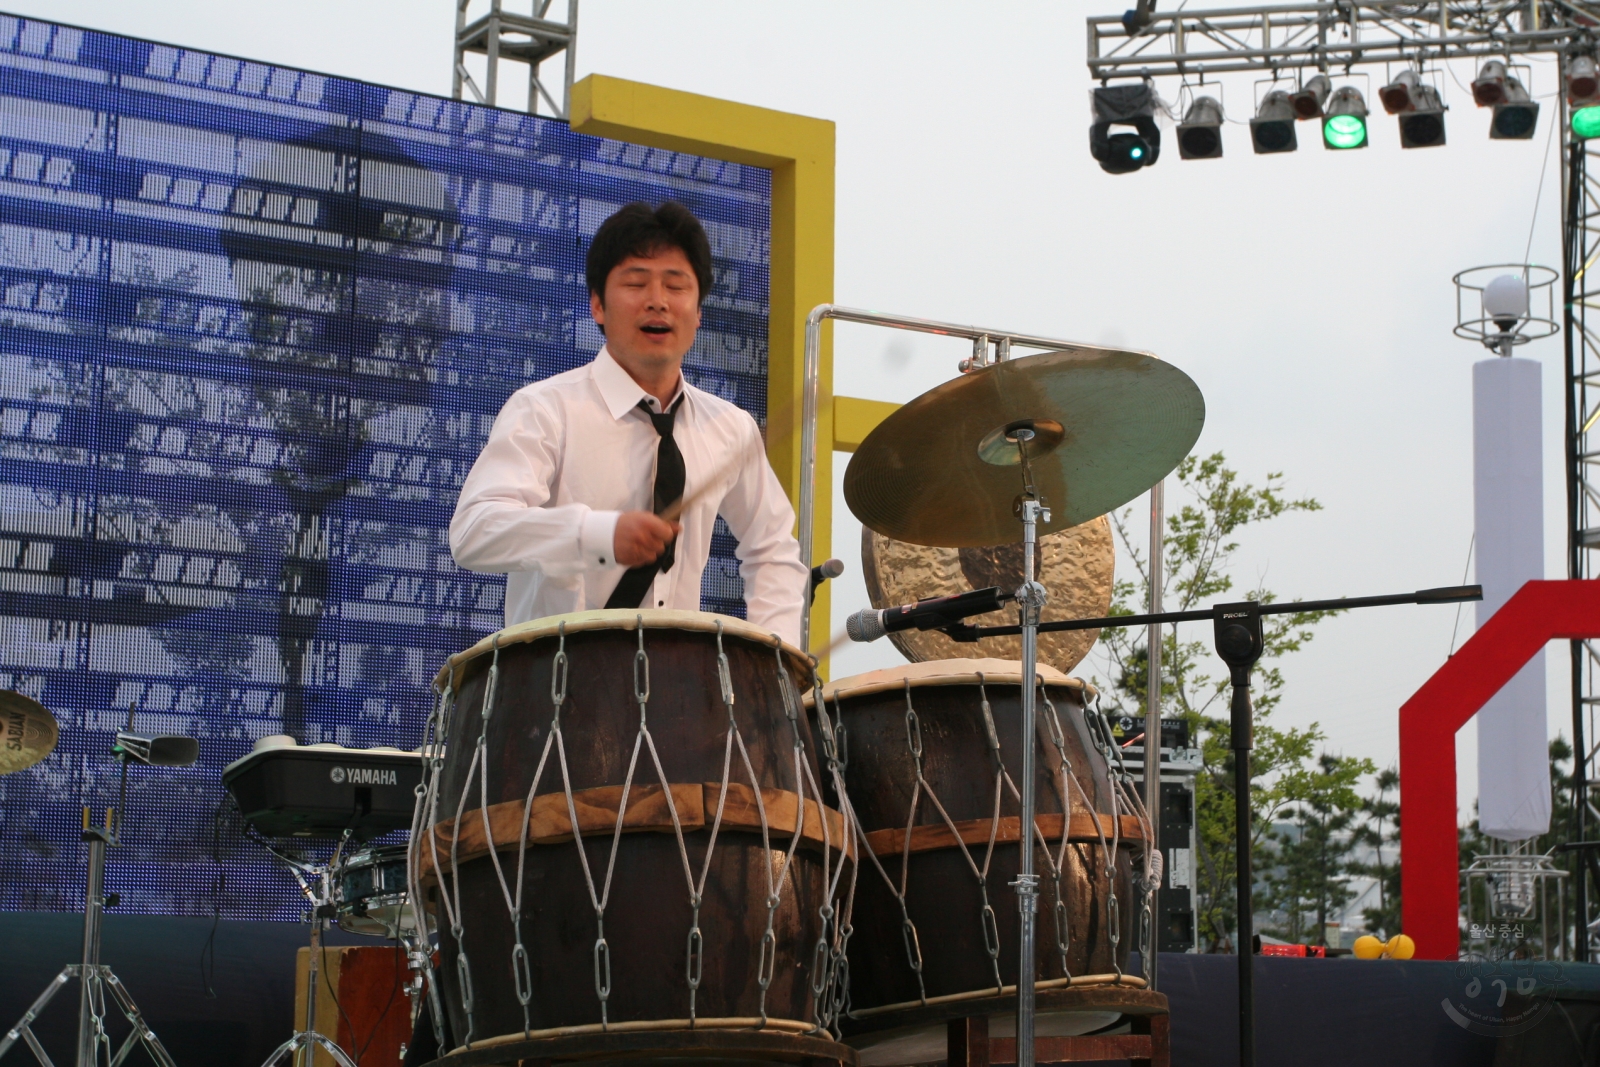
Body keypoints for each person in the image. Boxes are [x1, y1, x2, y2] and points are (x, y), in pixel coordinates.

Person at [449, 201, 808, 646]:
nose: (657, 301)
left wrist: (774, 662)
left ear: (698, 314)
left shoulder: (730, 428)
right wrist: (598, 534)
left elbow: (772, 548)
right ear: (598, 306)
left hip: (676, 697)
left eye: (676, 286)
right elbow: (475, 531)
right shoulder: (545, 408)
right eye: (636, 283)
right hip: (550, 691)